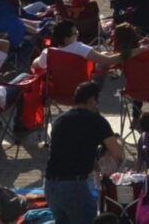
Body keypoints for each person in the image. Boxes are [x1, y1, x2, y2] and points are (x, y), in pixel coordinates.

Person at [46, 80, 121, 224]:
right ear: (92, 100)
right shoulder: (97, 121)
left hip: (50, 185)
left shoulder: (60, 120)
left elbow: (67, 150)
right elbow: (117, 153)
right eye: (97, 101)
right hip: (74, 186)